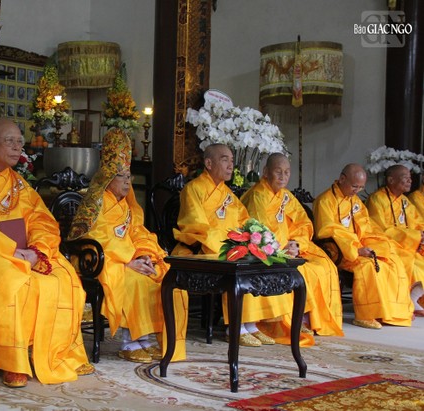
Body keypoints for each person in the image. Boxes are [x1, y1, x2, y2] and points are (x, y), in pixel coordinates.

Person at [0, 118, 93, 389]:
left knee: (64, 276)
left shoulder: (19, 183)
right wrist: (10, 251)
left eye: (19, 142)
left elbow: (41, 220)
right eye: (9, 141)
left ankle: (60, 350)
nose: (16, 147)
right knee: (14, 282)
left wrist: (36, 251)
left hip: (24, 252)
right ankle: (13, 361)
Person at [68, 129, 188, 363]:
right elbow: (97, 237)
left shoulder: (126, 205)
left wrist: (145, 255)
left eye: (128, 176)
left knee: (164, 277)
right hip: (99, 260)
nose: (127, 181)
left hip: (127, 259)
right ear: (107, 177)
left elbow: (138, 233)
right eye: (121, 176)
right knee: (136, 280)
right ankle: (129, 342)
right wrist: (127, 262)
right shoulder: (96, 203)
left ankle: (149, 339)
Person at [172, 144, 297, 347]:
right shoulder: (193, 189)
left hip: (229, 245)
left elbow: (245, 221)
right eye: (225, 160)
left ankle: (251, 324)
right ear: (209, 163)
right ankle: (236, 328)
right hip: (201, 248)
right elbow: (197, 227)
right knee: (242, 261)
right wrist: (232, 243)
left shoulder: (228, 194)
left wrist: (253, 239)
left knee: (258, 257)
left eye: (231, 160)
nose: (231, 165)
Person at [240, 153, 344, 336]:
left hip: (292, 247)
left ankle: (309, 318)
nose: (283, 176)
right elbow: (259, 230)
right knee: (303, 270)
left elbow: (304, 224)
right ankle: (291, 319)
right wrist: (282, 248)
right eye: (278, 171)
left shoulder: (286, 196)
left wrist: (296, 243)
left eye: (287, 172)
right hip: (270, 250)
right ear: (266, 172)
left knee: (324, 265)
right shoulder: (257, 196)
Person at [312, 164, 413, 329]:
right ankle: (365, 315)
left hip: (359, 247)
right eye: (354, 186)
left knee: (391, 259)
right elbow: (327, 231)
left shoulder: (355, 201)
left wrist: (376, 245)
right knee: (368, 266)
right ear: (342, 179)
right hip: (340, 251)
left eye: (360, 187)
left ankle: (390, 311)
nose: (357, 191)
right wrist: (356, 250)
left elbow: (368, 228)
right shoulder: (325, 201)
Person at [365, 164, 424, 316]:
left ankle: (414, 298)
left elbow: (418, 223)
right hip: (389, 244)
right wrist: (413, 236)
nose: (410, 181)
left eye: (410, 178)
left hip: (409, 244)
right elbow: (381, 229)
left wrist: (421, 235)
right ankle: (407, 300)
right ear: (391, 180)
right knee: (412, 262)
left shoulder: (405, 201)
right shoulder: (377, 199)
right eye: (405, 178)